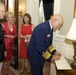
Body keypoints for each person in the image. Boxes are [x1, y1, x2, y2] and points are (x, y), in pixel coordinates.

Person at [0, 2, 6, 75]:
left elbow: (2, 39)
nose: (4, 13)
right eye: (2, 11)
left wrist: (4, 49)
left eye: (4, 11)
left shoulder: (1, 24)